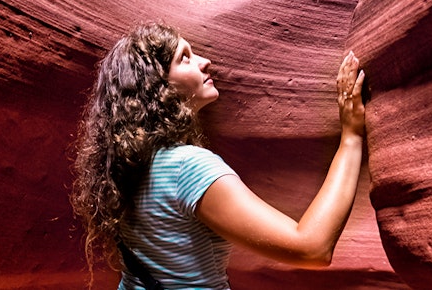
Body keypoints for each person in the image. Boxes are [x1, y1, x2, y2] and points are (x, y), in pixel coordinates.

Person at [70, 22, 366, 289]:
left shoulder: (126, 164)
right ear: (158, 87)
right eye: (184, 57)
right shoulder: (188, 167)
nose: (204, 62)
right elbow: (311, 247)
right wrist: (351, 137)